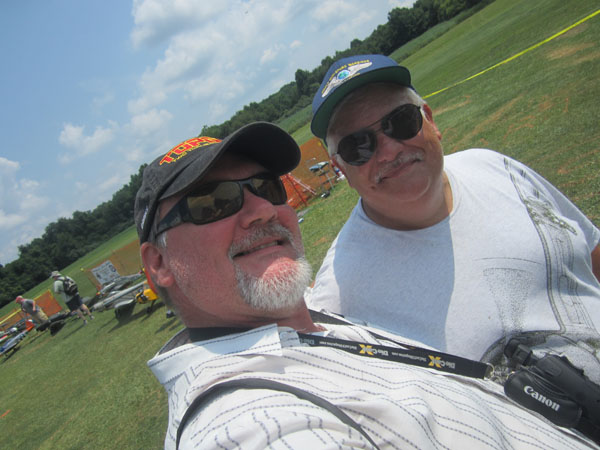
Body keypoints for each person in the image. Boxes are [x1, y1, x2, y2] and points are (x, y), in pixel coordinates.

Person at [135, 122, 597, 449]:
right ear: (158, 264)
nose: (261, 210)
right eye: (213, 202)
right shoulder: (246, 421)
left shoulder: (311, 322)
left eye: (267, 187)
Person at [306, 54, 600, 383]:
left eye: (401, 121)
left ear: (429, 119)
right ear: (340, 168)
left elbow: (591, 252)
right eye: (357, 146)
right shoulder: (339, 302)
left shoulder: (495, 167)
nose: (389, 151)